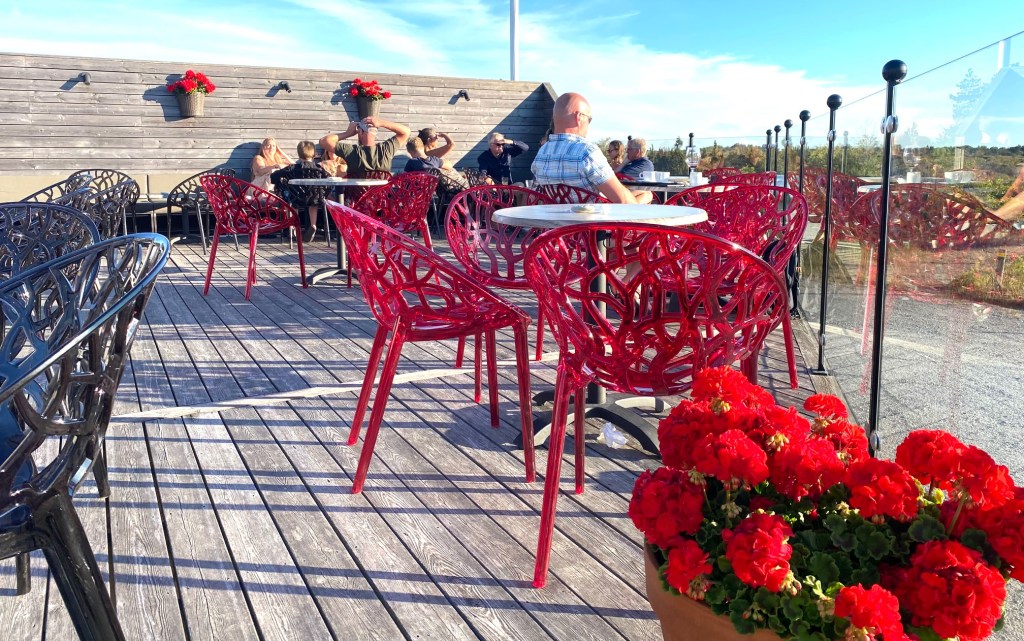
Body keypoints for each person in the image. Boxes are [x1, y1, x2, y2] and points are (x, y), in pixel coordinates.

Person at [531, 92, 652, 205]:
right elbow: (622, 200)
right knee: (646, 196)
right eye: (589, 119)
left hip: (556, 220)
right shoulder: (586, 152)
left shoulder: (542, 152)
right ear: (579, 117)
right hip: (593, 219)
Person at [271, 141, 329, 242]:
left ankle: (293, 226)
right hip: (314, 198)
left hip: (296, 197)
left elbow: (273, 176)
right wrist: (324, 194)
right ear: (314, 154)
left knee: (291, 202)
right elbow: (329, 179)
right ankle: (313, 225)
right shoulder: (319, 169)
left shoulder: (293, 168)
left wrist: (281, 183)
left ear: (298, 153)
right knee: (313, 204)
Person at [319, 116, 410, 177]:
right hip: (381, 199)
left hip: (356, 199)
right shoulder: (386, 149)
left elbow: (323, 141)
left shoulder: (351, 151)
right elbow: (406, 132)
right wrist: (382, 123)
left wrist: (347, 133)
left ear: (360, 132)